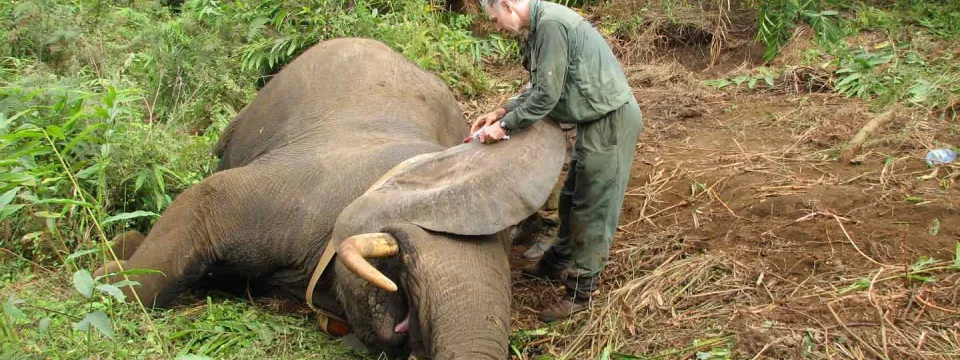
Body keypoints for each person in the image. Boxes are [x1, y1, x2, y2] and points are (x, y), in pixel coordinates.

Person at [471, 0, 644, 322]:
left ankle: (581, 292)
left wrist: (504, 127)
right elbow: (538, 84)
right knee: (570, 198)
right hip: (591, 119)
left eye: (495, 20)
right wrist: (502, 110)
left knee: (593, 206)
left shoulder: (551, 24)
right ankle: (558, 260)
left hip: (610, 120)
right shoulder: (532, 28)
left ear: (507, 5)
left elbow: (546, 96)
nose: (495, 27)